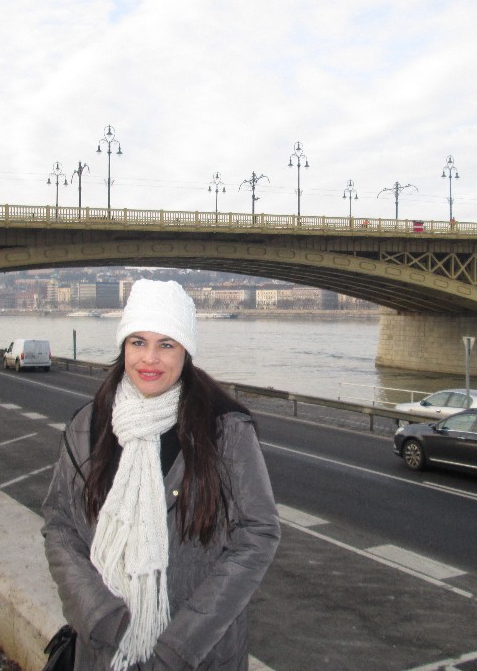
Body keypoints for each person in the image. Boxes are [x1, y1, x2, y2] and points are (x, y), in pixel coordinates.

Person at [42, 279, 280, 670]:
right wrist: (100, 617)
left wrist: (180, 645)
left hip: (198, 658)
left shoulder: (225, 431)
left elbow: (258, 534)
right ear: (124, 346)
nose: (149, 359)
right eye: (138, 342)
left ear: (186, 351)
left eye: (166, 345)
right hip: (104, 652)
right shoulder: (88, 426)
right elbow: (60, 523)